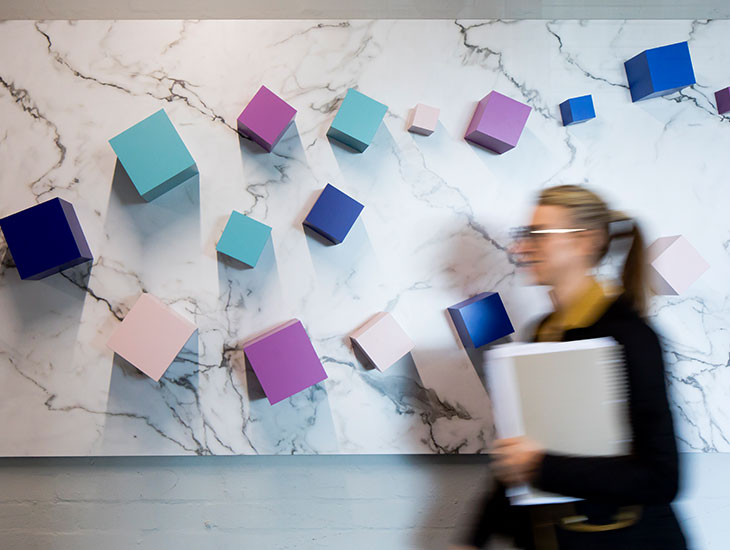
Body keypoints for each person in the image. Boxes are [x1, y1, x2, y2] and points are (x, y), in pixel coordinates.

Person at [451, 184, 688, 549]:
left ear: (584, 241)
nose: (520, 248)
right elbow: (520, 454)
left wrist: (539, 466)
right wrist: (473, 540)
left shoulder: (632, 337)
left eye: (539, 235)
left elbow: (661, 478)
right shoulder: (543, 332)